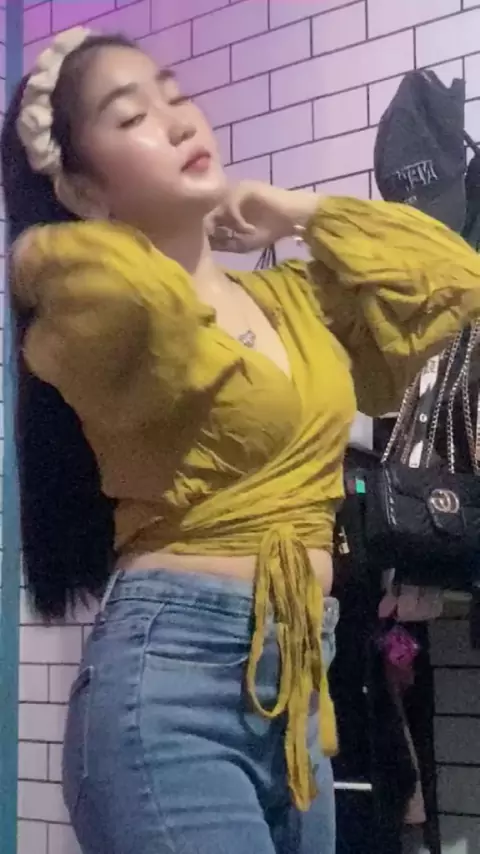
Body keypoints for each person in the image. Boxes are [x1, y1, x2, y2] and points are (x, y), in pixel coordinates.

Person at [3, 26, 480, 854]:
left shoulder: (290, 300)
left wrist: (297, 211)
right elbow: (110, 295)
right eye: (132, 116)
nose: (177, 120)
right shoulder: (101, 302)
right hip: (173, 685)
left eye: (175, 95)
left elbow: (455, 283)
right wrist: (163, 243)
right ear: (80, 186)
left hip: (297, 684)